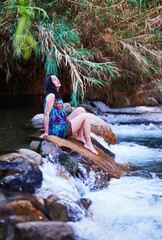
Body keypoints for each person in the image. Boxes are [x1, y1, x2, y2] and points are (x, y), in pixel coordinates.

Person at [40, 74, 98, 155]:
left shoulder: (57, 96)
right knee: (86, 116)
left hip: (62, 124)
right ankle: (89, 143)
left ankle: (80, 136)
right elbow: (46, 114)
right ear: (50, 84)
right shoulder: (51, 95)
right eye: (54, 79)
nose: (57, 80)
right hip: (59, 130)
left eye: (57, 78)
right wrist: (46, 132)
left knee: (81, 110)